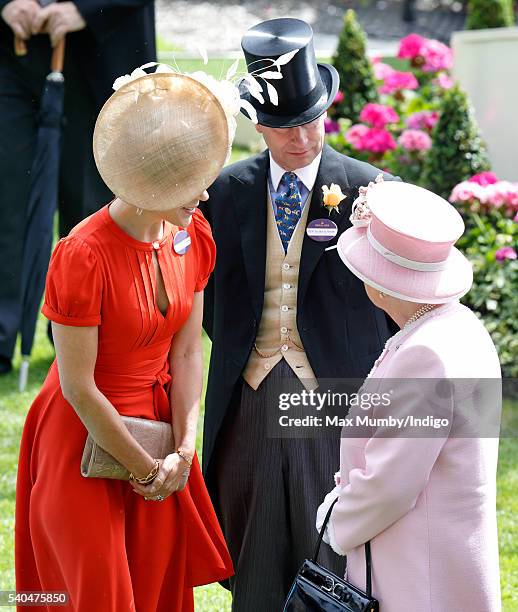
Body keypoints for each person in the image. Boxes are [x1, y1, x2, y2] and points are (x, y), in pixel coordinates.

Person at [199, 17, 399, 610]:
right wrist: (249, 353)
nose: (301, 138)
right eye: (285, 126)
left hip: (334, 397)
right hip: (250, 392)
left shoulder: (371, 190)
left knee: (331, 559)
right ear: (257, 123)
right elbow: (212, 300)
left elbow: (391, 306)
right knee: (255, 553)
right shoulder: (226, 193)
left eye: (310, 120)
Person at [15, 71, 234, 612]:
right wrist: (145, 467)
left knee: (155, 589)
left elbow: (186, 351)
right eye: (190, 182)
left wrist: (183, 448)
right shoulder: (82, 254)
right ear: (153, 182)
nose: (204, 194)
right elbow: (78, 387)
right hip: (81, 442)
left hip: (159, 438)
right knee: (93, 595)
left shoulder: (194, 234)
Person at [316, 179, 502, 611]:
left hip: (418, 569)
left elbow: (391, 484)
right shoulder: (456, 326)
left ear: (383, 285)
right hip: (443, 553)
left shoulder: (426, 354)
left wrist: (335, 516)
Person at [0, 0, 156, 374]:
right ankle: (3, 335)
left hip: (98, 56)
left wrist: (84, 9)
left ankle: (81, 333)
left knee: (88, 209)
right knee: (8, 200)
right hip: (12, 55)